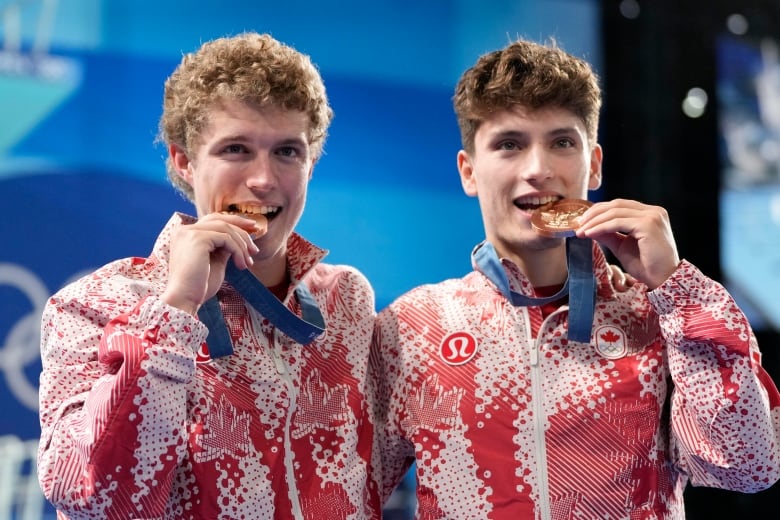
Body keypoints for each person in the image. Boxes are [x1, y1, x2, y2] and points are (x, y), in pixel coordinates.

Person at [372, 38, 780, 519]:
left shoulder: (658, 313)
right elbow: (342, 492)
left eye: (562, 142)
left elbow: (747, 465)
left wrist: (676, 287)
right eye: (509, 144)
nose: (539, 169)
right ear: (469, 172)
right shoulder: (414, 327)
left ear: (594, 165)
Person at [37, 32, 381, 519]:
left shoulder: (345, 300)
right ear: (184, 160)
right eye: (236, 149)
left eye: (287, 151)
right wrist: (176, 309)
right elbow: (90, 494)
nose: (263, 179)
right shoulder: (93, 304)